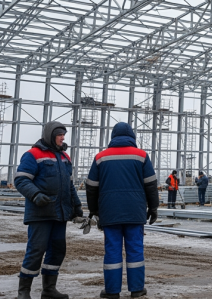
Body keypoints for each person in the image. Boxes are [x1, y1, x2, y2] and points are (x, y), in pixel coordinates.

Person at [85, 122, 159, 299]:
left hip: (110, 212)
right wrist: (153, 207)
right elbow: (151, 184)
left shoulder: (100, 157)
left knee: (112, 250)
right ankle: (136, 289)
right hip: (135, 211)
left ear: (112, 137)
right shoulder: (141, 156)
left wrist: (94, 210)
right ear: (132, 137)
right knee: (135, 249)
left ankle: (112, 291)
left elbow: (91, 186)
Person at [14, 121, 82, 299]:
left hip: (60, 214)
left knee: (58, 250)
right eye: (60, 134)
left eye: (63, 134)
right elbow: (21, 180)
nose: (63, 137)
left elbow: (69, 185)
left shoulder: (64, 157)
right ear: (51, 135)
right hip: (40, 213)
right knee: (36, 250)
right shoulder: (33, 155)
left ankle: (49, 290)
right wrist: (36, 195)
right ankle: (24, 292)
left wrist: (77, 206)